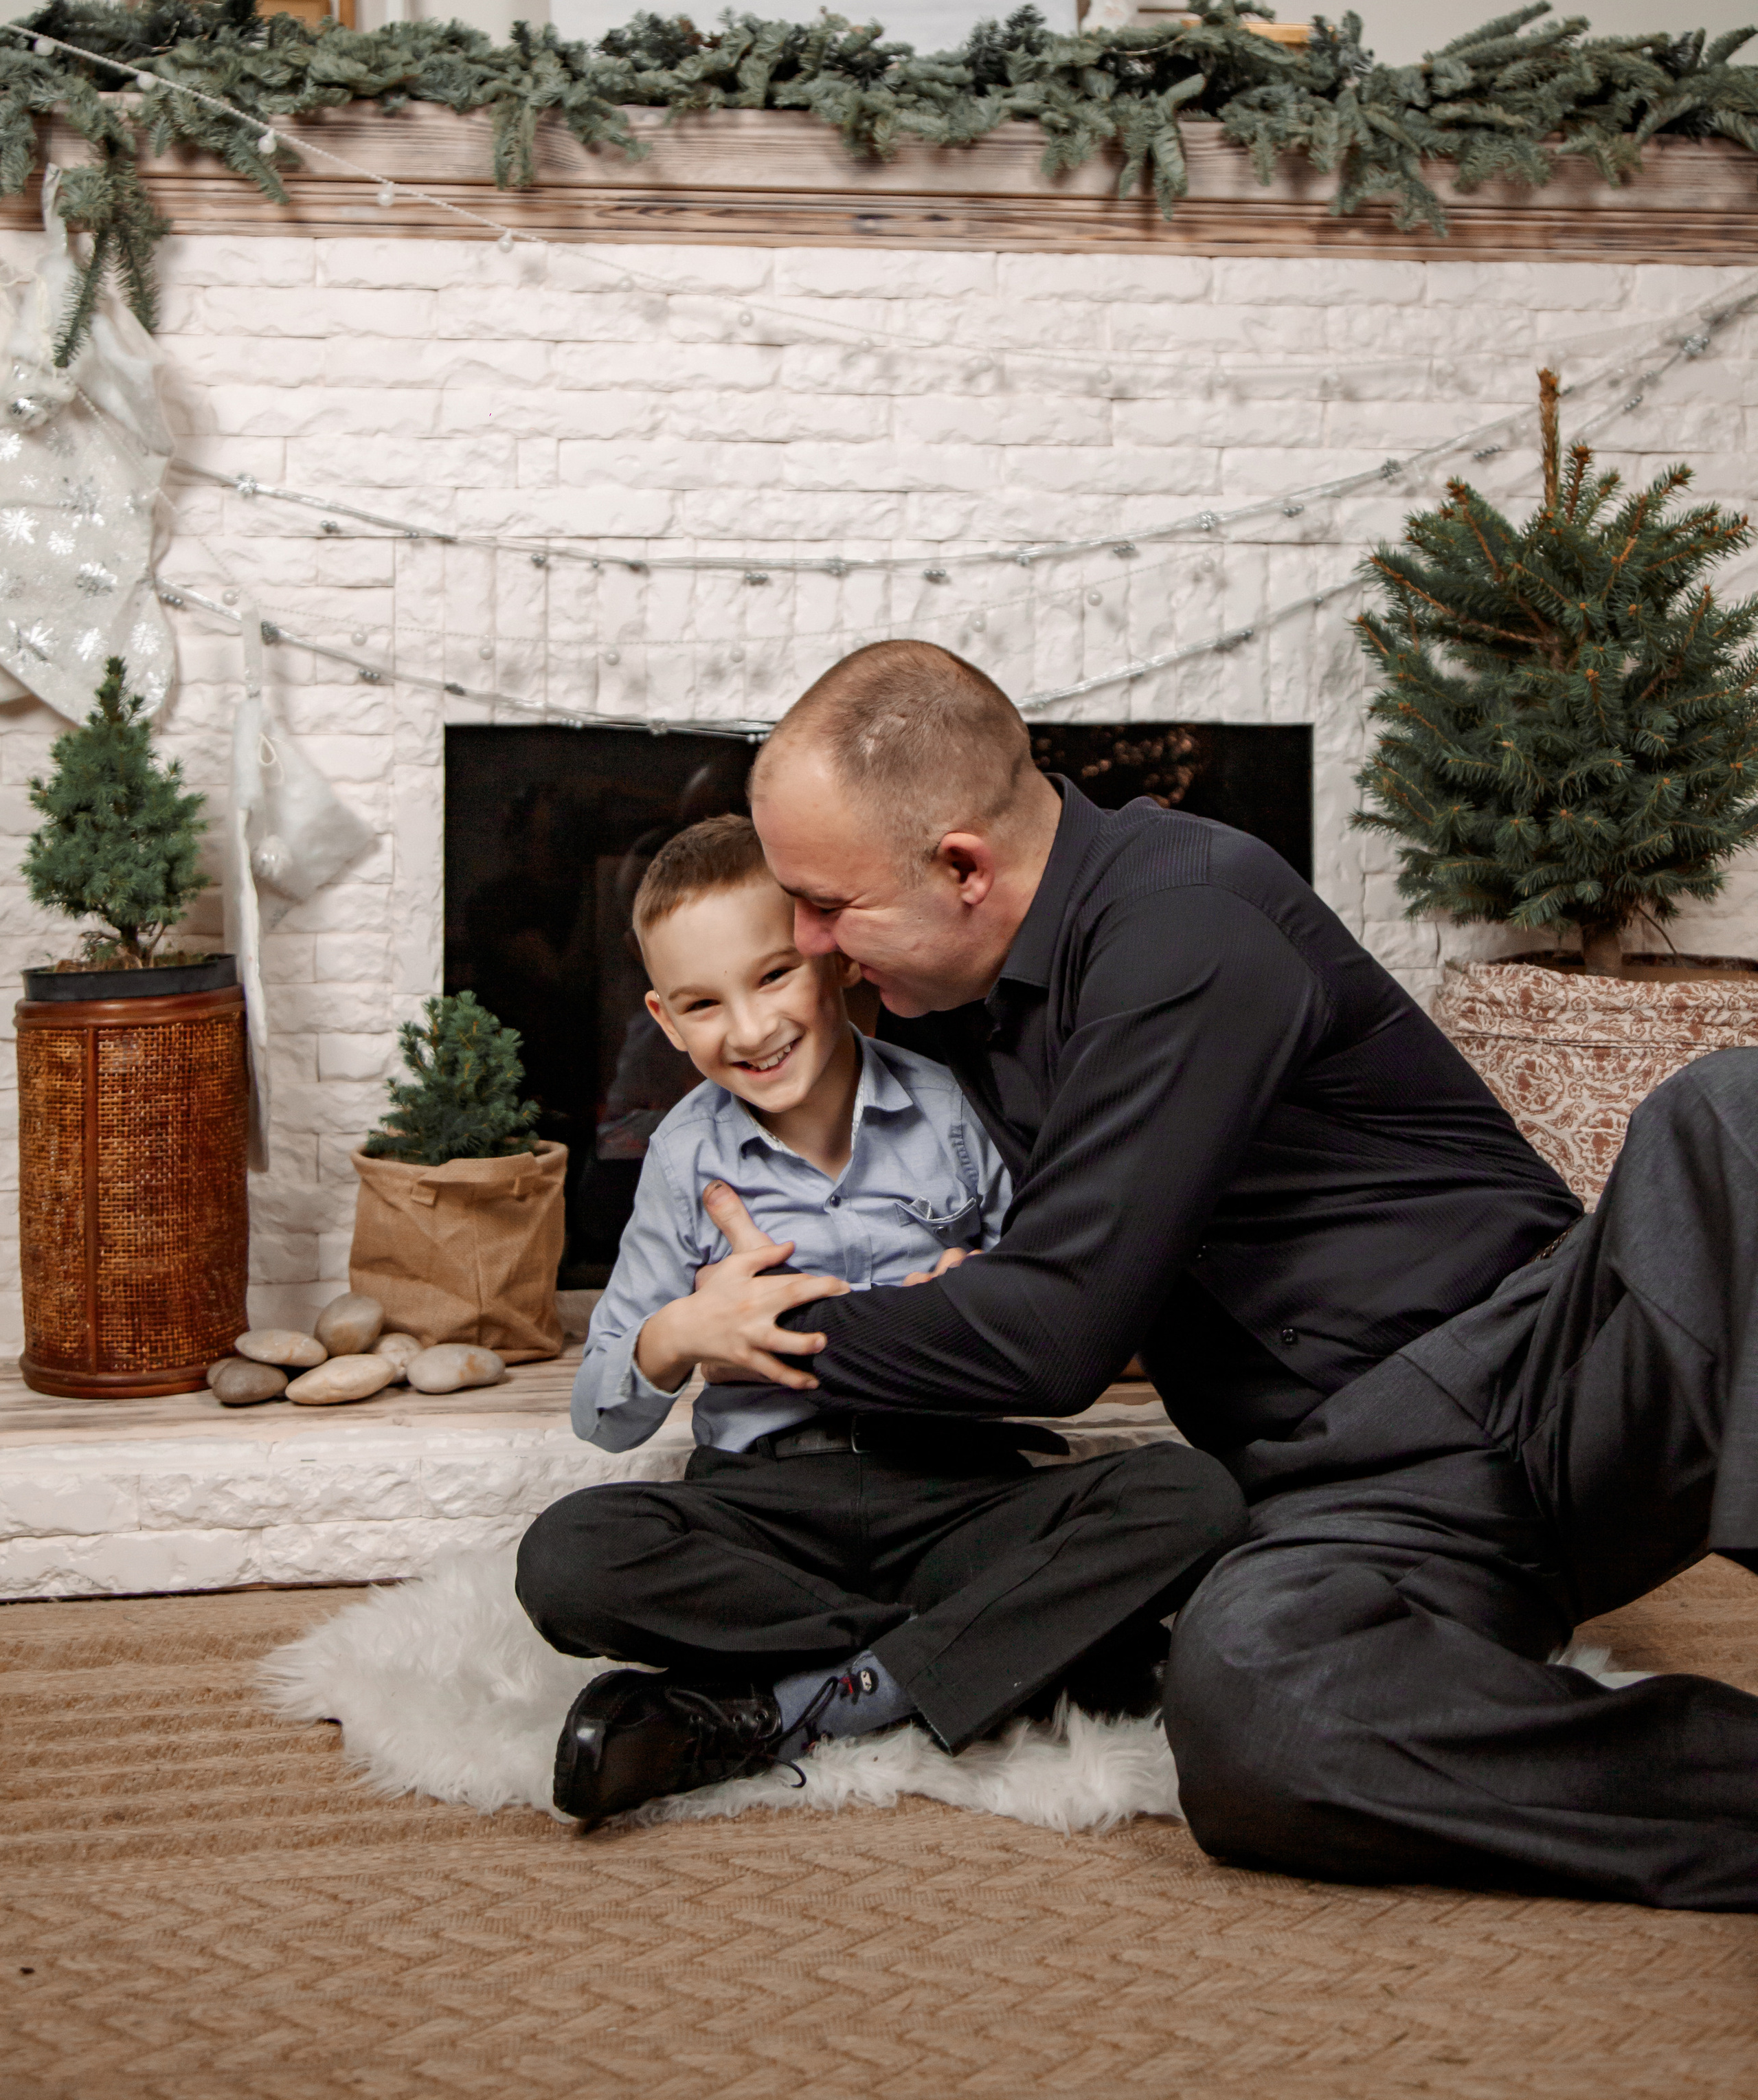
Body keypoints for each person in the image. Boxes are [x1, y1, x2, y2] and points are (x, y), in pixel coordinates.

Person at [721, 638, 1758, 1912]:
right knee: (1251, 1698)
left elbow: (1054, 1335)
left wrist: (759, 1328)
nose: (810, 945)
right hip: (1357, 1492)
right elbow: (1070, 1274)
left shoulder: (1185, 917)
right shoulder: (978, 1016)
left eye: (827, 903)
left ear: (963, 866)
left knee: (1731, 1114)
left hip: (1551, 1363)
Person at [515, 813, 1246, 1827]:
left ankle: (797, 1700)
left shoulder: (953, 1114)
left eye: (772, 976)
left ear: (834, 959)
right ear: (666, 1020)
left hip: (952, 1493)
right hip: (771, 1515)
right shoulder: (684, 1160)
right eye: (701, 1004)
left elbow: (1082, 1317)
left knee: (1191, 1493)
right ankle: (980, 1656)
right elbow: (605, 1416)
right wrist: (685, 1331)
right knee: (568, 1558)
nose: (750, 1027)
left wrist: (982, 1290)